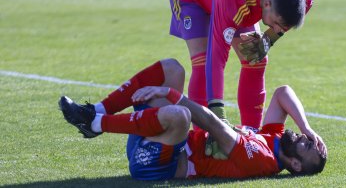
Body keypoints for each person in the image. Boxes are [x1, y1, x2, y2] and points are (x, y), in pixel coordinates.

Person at [59, 58, 327, 180]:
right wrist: (307, 127)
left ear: (295, 165)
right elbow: (283, 93)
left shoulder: (263, 160)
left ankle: (94, 122)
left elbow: (213, 124)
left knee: (180, 114)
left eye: (307, 146)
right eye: (311, 140)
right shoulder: (275, 140)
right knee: (172, 68)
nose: (305, 139)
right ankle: (100, 110)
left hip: (157, 165)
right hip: (161, 139)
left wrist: (171, 94)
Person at [168, 0, 314, 130]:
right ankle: (203, 137)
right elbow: (217, 57)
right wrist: (218, 115)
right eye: (276, 23)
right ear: (267, 3)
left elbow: (308, 2)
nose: (276, 28)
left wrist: (269, 37)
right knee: (203, 60)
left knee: (256, 58)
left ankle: (252, 134)